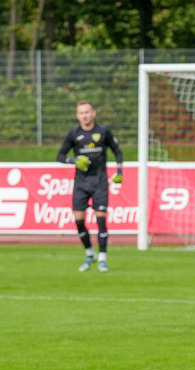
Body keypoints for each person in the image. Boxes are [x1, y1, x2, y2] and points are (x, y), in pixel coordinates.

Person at [57, 100, 124, 272]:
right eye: (81, 113)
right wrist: (73, 160)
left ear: (93, 113)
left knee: (101, 220)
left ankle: (102, 258)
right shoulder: (74, 134)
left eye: (87, 112)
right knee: (79, 221)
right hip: (81, 183)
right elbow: (60, 155)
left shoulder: (103, 132)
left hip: (100, 181)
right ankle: (89, 253)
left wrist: (119, 172)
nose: (85, 115)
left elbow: (117, 151)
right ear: (77, 115)